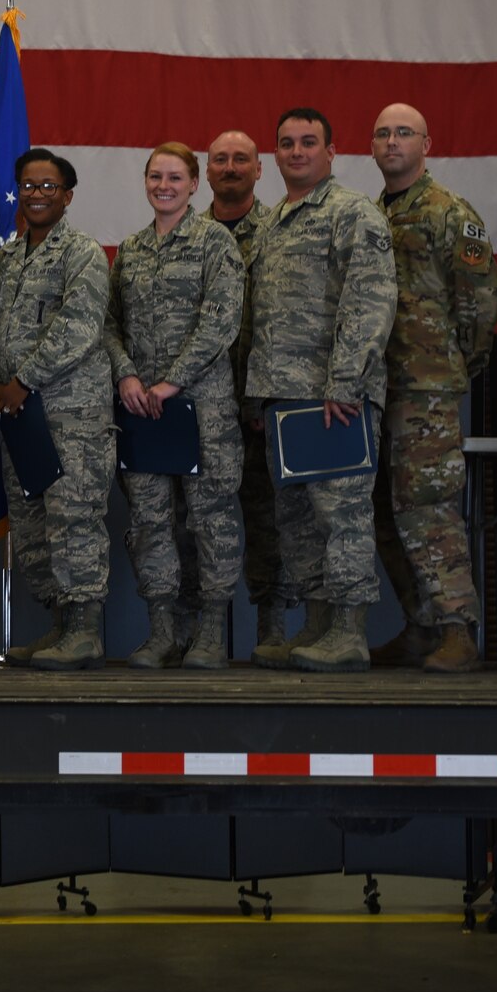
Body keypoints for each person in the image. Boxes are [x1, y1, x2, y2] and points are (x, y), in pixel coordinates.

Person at [245, 108, 397, 672]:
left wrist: (347, 381)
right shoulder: (271, 222)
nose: (297, 152)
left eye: (309, 142)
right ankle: (314, 625)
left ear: (331, 152)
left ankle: (349, 631)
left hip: (333, 396)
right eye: (286, 143)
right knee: (298, 524)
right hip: (283, 398)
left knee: (343, 518)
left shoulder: (351, 214)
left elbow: (370, 300)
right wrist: (259, 397)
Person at [366, 103, 497, 673]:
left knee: (427, 508)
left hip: (425, 388)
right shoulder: (372, 215)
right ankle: (421, 625)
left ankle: (457, 628)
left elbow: (482, 298)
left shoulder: (448, 211)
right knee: (382, 511)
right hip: (376, 387)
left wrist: (452, 364)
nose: (392, 141)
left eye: (404, 133)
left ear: (427, 143)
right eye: (382, 133)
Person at [104, 142, 244, 670]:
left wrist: (173, 381)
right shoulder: (133, 250)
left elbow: (221, 322)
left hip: (199, 408)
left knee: (210, 518)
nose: (164, 185)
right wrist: (128, 375)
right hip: (141, 408)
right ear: (145, 182)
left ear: (194, 184)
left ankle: (210, 633)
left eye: (175, 177)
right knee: (149, 520)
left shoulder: (216, 243)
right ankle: (162, 630)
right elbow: (109, 322)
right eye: (155, 176)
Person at [0, 149, 114, 670]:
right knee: (34, 525)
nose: (37, 194)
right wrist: (0, 385)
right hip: (20, 416)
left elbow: (79, 329)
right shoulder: (10, 255)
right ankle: (59, 627)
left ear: (67, 195)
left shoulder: (82, 253)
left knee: (73, 519)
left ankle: (85, 631)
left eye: (48, 186)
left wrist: (22, 381)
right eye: (28, 185)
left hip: (70, 414)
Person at [207, 128, 291, 652]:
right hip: (204, 405)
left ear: (259, 170)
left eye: (242, 159)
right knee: (200, 521)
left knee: (270, 518)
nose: (231, 167)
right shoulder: (187, 235)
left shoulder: (281, 230)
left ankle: (274, 629)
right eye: (221, 160)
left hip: (265, 401)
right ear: (207, 171)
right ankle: (201, 631)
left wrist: (261, 396)